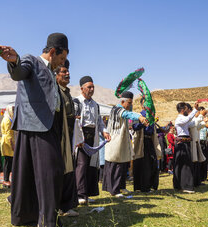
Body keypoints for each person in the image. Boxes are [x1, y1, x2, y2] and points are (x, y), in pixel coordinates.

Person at [0, 33, 70, 227]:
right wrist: (14, 61)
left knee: (26, 173)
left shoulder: (49, 70)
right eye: (62, 58)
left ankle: (25, 216)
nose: (62, 63)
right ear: (53, 51)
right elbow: (19, 72)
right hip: (36, 126)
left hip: (44, 126)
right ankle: (48, 223)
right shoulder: (31, 60)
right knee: (51, 173)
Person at [73, 76, 111, 205]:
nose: (92, 89)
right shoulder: (77, 102)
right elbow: (74, 121)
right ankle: (79, 194)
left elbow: (99, 121)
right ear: (82, 88)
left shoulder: (95, 105)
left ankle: (87, 194)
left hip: (92, 137)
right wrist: (78, 137)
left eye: (93, 87)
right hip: (81, 137)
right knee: (81, 165)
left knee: (90, 166)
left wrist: (104, 131)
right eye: (89, 87)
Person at [103, 91, 148, 197]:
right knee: (116, 165)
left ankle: (121, 187)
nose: (130, 105)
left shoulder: (123, 108)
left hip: (122, 141)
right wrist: (140, 117)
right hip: (115, 141)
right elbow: (128, 114)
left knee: (123, 164)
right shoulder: (117, 109)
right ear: (123, 101)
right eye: (129, 103)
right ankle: (114, 190)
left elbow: (129, 111)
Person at [55, 60, 79, 217]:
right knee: (59, 172)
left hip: (69, 138)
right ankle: (58, 206)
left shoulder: (67, 92)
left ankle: (67, 205)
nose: (67, 74)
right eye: (63, 72)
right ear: (56, 75)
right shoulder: (55, 92)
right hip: (58, 139)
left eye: (68, 71)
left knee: (69, 171)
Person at [132, 97, 162, 193]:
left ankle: (150, 185)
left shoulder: (152, 115)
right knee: (142, 164)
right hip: (141, 142)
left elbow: (152, 130)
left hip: (150, 141)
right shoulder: (138, 115)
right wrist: (143, 123)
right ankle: (141, 187)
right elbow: (134, 126)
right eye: (145, 103)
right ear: (141, 105)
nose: (147, 105)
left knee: (151, 163)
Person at [173, 102, 199, 193]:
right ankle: (184, 186)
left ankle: (183, 185)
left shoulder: (184, 119)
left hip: (185, 143)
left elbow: (192, 123)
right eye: (187, 109)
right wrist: (195, 110)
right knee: (184, 165)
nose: (188, 110)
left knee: (186, 164)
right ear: (183, 110)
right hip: (181, 144)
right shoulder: (179, 119)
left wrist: (200, 116)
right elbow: (187, 120)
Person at [0, 105, 16, 188]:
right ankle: (6, 180)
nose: (13, 111)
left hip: (8, 141)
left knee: (9, 161)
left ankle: (7, 179)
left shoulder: (8, 118)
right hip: (7, 142)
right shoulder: (7, 120)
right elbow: (8, 133)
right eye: (12, 110)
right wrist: (12, 145)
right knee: (8, 161)